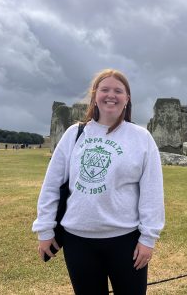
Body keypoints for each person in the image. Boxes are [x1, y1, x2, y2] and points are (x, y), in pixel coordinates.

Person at [32, 69, 165, 294]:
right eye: (104, 89)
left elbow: (152, 192)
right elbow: (52, 184)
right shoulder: (75, 134)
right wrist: (45, 230)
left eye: (118, 91)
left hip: (126, 241)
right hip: (78, 239)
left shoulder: (141, 138)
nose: (110, 95)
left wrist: (148, 238)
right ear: (95, 95)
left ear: (127, 99)